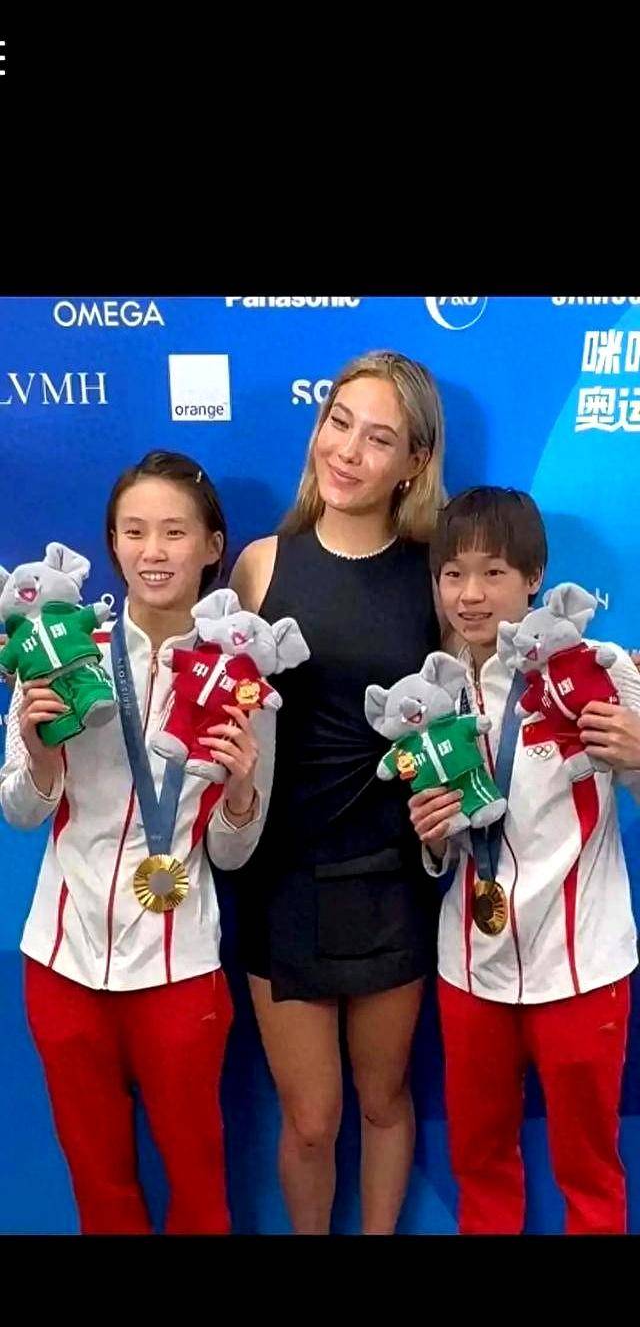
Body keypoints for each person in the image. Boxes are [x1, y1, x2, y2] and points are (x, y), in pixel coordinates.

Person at [0, 450, 274, 1234]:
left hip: (178, 968)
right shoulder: (61, 646)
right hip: (63, 960)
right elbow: (21, 811)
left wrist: (242, 789)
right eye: (134, 531)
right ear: (113, 544)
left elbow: (233, 851)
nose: (154, 551)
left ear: (213, 546)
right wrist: (38, 749)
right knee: (99, 1182)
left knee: (198, 1181)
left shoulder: (241, 673)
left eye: (175, 532)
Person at [231, 350, 445, 1234]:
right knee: (312, 1121)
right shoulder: (258, 565)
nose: (348, 450)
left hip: (391, 877)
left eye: (378, 437)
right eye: (338, 422)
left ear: (414, 463)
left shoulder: (436, 575)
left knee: (384, 1098)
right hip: (281, 880)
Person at [411, 485, 640, 1234]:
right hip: (470, 968)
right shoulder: (431, 693)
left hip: (582, 966)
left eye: (493, 573)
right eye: (453, 574)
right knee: (479, 1163)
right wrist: (432, 837)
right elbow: (443, 848)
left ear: (534, 576)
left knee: (589, 1172)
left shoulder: (598, 667)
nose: (470, 595)